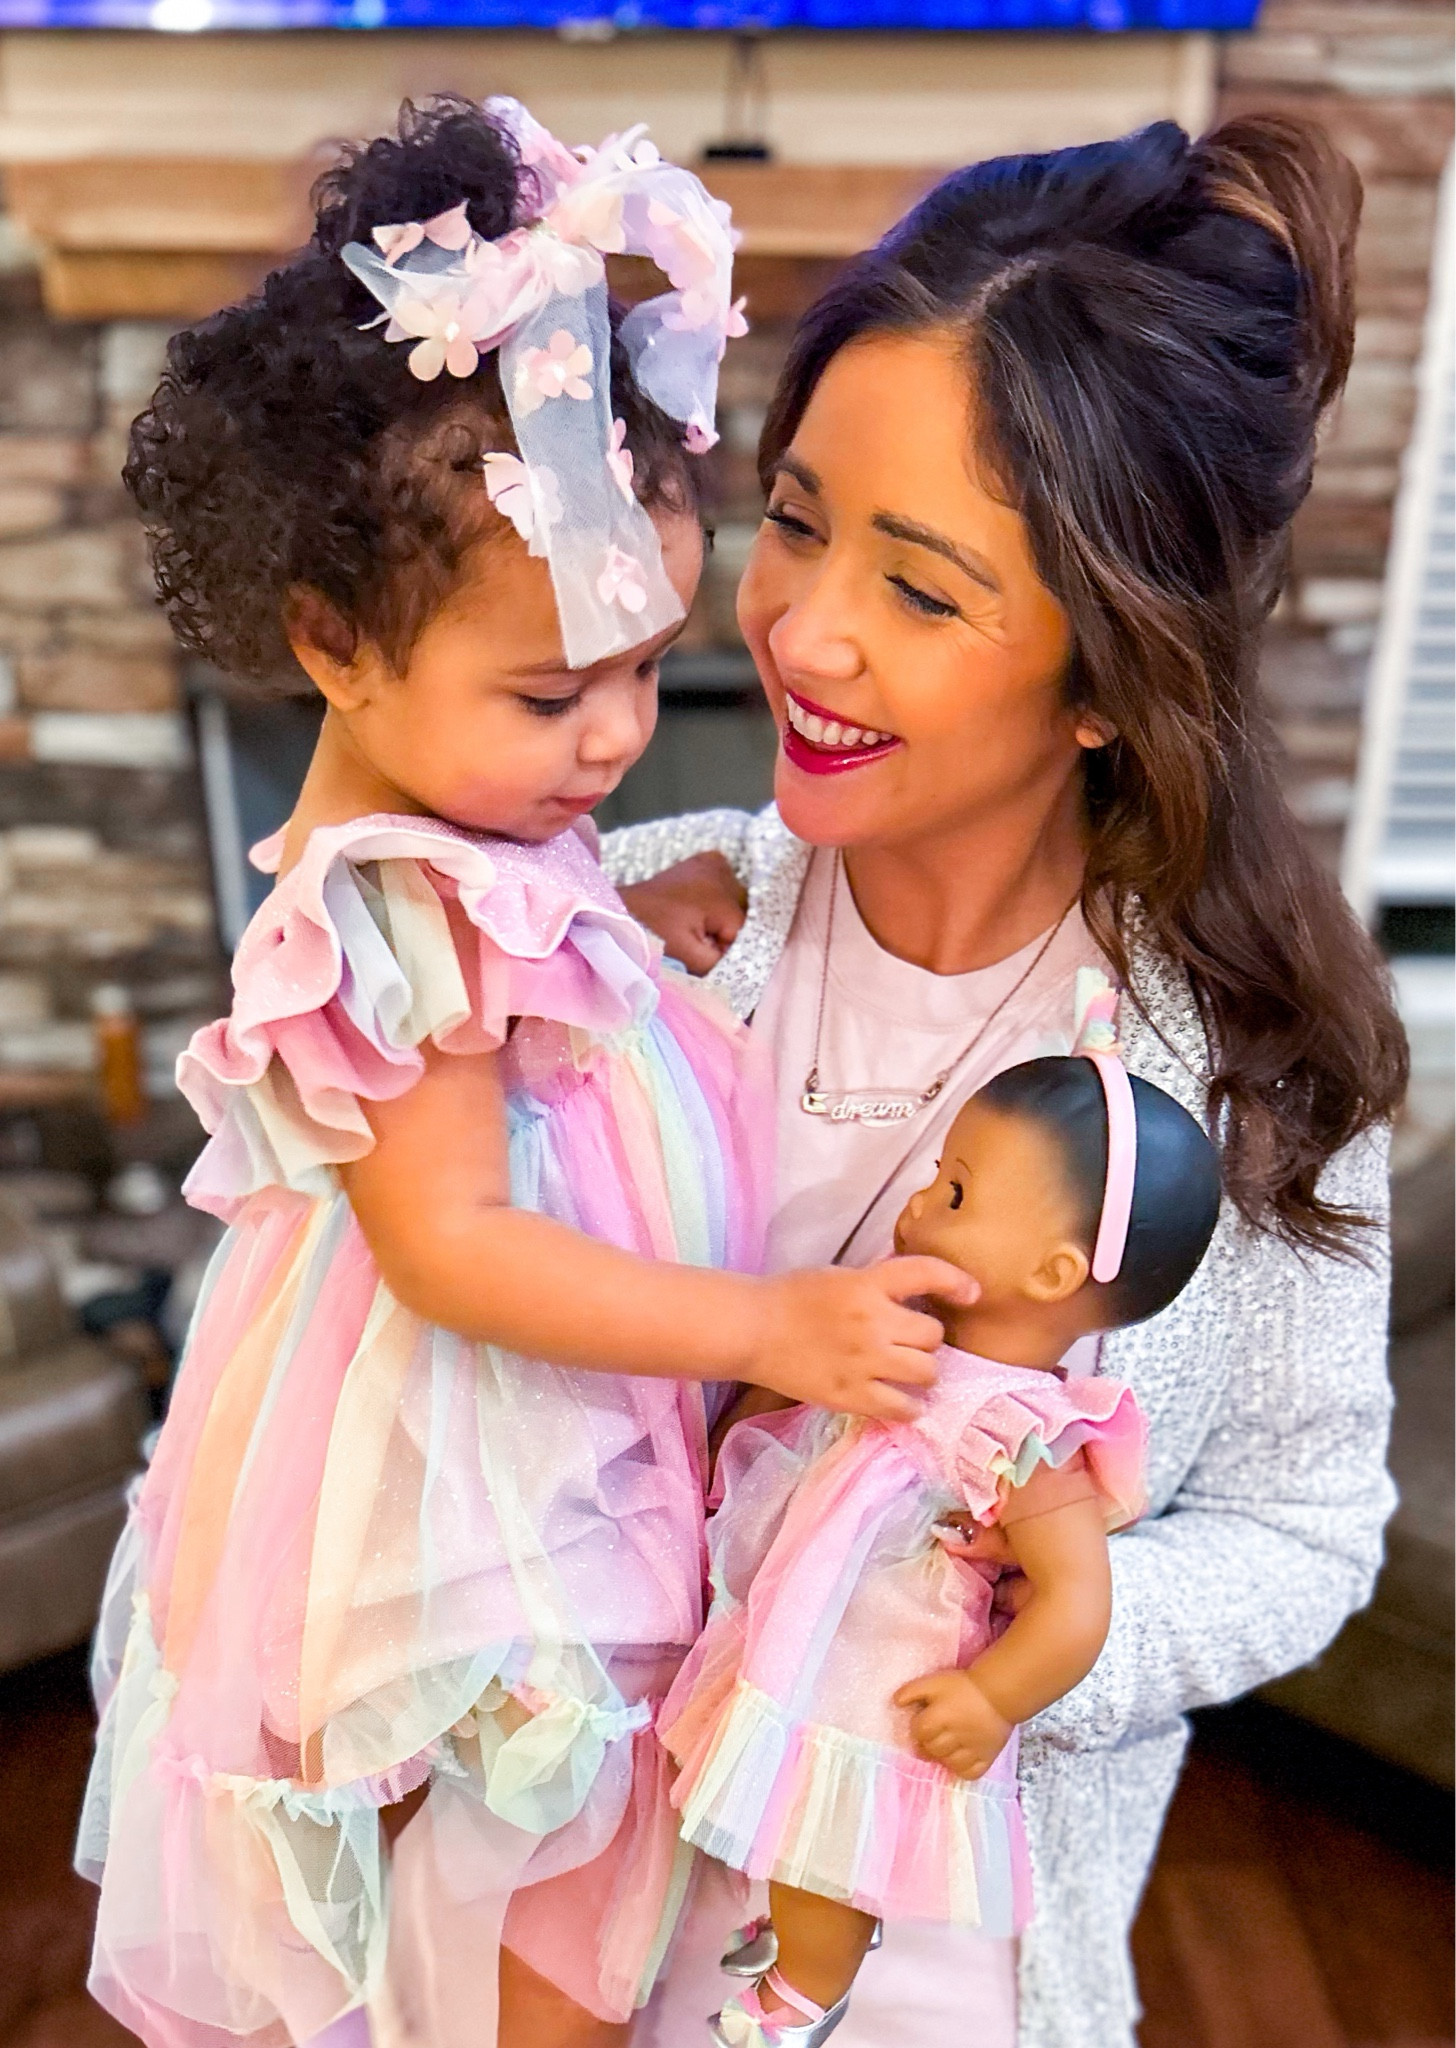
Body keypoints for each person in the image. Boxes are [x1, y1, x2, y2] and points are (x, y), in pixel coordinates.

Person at [75, 96, 973, 2048]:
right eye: (554, 694)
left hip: (530, 1432)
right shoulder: (390, 897)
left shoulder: (469, 813)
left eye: (644, 669)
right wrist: (770, 1327)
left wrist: (611, 931)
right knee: (538, 1865)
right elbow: (452, 1241)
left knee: (573, 1875)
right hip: (463, 1479)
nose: (614, 739)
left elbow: (524, 944)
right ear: (331, 643)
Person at [604, 113, 1406, 2048]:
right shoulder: (633, 919)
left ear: (1112, 672)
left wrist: (1047, 1636)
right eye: (794, 517)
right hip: (574, 1910)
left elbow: (1308, 1531)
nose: (805, 630)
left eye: (927, 585)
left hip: (949, 1972)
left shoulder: (1261, 1075)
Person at [665, 1020, 1225, 2046]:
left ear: (1054, 1275)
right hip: (817, 1632)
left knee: (827, 1842)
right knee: (788, 1818)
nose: (919, 1204)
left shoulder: (1025, 1430)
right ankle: (793, 1934)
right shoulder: (917, 1333)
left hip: (880, 1677)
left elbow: (1074, 1594)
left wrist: (991, 1692)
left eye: (957, 1193)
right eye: (936, 1174)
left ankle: (801, 1998)